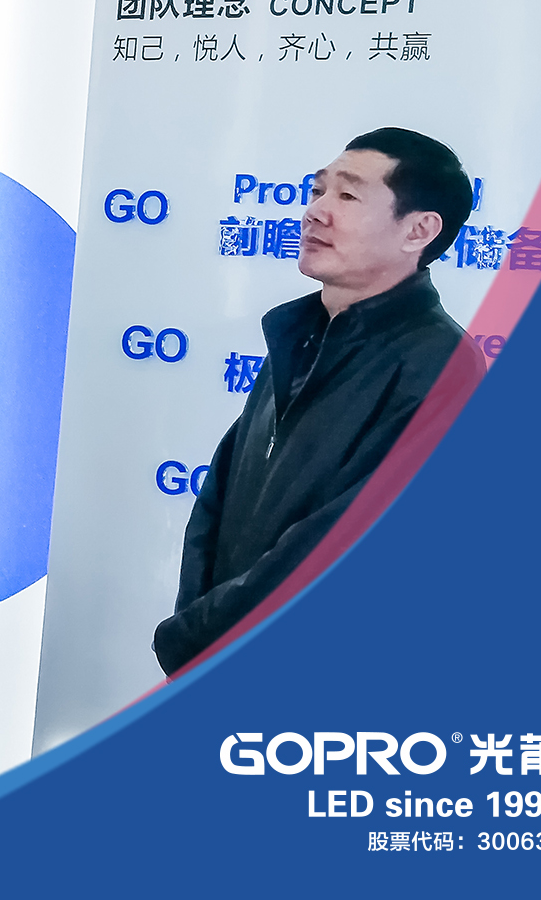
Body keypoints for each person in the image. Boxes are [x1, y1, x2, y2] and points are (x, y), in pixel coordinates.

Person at [153, 128, 485, 674]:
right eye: (317, 191)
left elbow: (345, 541)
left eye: (348, 195)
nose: (315, 212)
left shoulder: (442, 365)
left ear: (418, 230)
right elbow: (219, 498)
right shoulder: (302, 332)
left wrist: (195, 642)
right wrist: (194, 630)